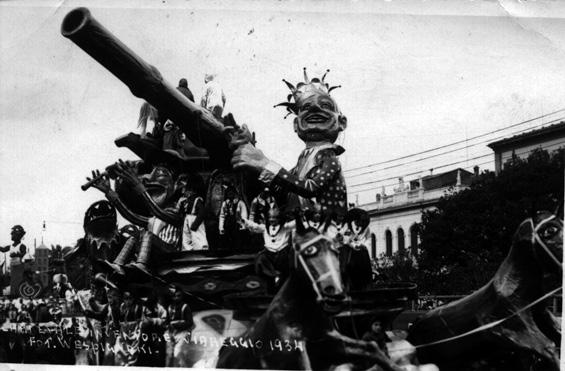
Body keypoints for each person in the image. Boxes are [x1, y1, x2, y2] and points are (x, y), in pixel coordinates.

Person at [230, 68, 348, 222]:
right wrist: (252, 159)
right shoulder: (301, 162)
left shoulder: (329, 159)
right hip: (302, 237)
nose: (314, 108)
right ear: (296, 124)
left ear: (342, 122)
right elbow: (283, 191)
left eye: (325, 105)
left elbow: (309, 188)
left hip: (326, 239)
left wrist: (264, 163)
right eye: (305, 107)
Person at [88, 161, 185, 275]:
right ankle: (118, 265)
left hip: (173, 253)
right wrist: (109, 192)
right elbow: (130, 216)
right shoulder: (155, 219)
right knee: (134, 237)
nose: (147, 179)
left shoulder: (176, 212)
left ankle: (142, 265)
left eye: (161, 175)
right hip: (159, 253)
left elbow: (157, 211)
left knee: (147, 234)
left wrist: (137, 184)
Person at [241, 208, 293, 292]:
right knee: (260, 259)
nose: (272, 220)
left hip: (282, 254)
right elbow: (255, 226)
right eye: (270, 217)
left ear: (279, 218)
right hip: (269, 254)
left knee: (289, 260)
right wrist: (244, 221)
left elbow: (295, 224)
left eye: (274, 218)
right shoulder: (265, 227)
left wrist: (300, 216)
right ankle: (275, 275)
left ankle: (283, 280)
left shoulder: (285, 227)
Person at [165, 287, 194, 368]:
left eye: (179, 296)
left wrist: (176, 324)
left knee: (178, 354)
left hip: (183, 333)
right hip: (171, 333)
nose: (176, 298)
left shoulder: (185, 307)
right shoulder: (169, 307)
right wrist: (167, 326)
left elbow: (190, 322)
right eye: (175, 296)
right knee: (169, 355)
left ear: (182, 296)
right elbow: (167, 321)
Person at [180, 174, 208, 250]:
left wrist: (195, 224)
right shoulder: (186, 200)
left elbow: (202, 212)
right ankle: (188, 250)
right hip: (187, 218)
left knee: (198, 237)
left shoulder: (197, 199)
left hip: (195, 218)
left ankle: (201, 250)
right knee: (186, 238)